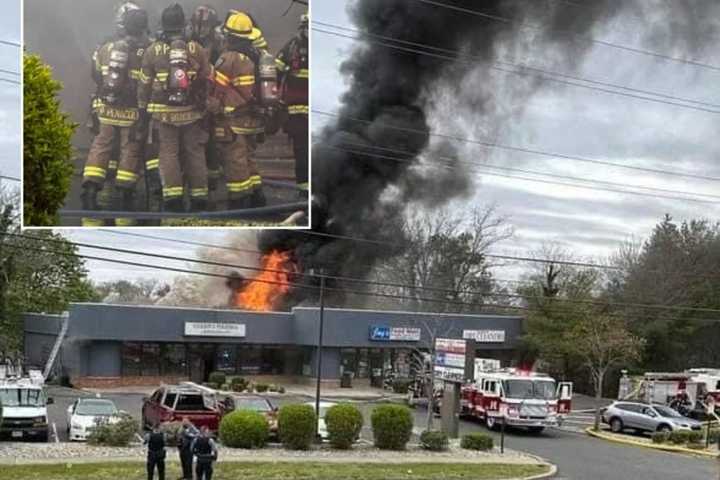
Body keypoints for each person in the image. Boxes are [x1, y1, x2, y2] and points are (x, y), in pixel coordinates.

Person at [138, 3, 212, 213]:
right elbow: (207, 76)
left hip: (164, 114)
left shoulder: (153, 50)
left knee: (168, 153)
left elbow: (144, 83)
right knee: (194, 152)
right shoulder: (196, 48)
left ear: (163, 25)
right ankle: (199, 198)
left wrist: (142, 109)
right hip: (192, 112)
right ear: (183, 24)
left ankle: (173, 199)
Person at [81, 7, 150, 225]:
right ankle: (125, 191)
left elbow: (95, 73)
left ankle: (91, 187)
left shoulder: (105, 47)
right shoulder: (147, 50)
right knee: (129, 148)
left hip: (106, 107)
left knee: (100, 145)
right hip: (131, 110)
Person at [208, 11, 267, 210]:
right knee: (249, 157)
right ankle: (257, 196)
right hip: (254, 117)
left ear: (230, 36)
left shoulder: (229, 58)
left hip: (234, 118)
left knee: (235, 159)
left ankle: (239, 201)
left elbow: (218, 88)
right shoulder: (259, 54)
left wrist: (211, 108)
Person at [276, 13, 309, 197]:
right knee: (302, 153)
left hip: (313, 114)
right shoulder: (291, 47)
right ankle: (304, 192)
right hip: (297, 114)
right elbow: (275, 73)